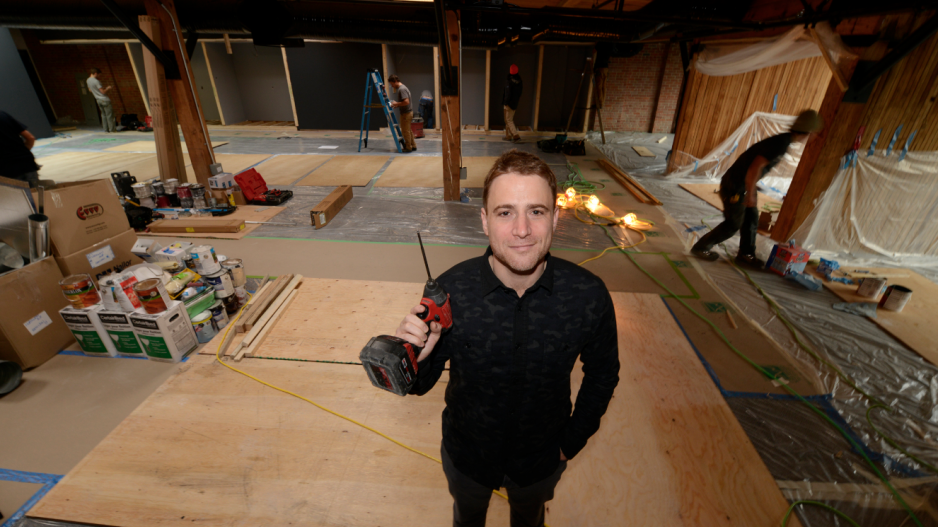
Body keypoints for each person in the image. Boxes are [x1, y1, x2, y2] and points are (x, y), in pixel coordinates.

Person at [395, 149, 620, 527]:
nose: (521, 230)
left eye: (536, 211)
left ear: (556, 218)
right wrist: (414, 354)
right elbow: (419, 385)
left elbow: (603, 374)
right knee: (467, 518)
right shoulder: (450, 290)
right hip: (468, 459)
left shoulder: (588, 295)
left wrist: (570, 442)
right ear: (485, 221)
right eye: (505, 212)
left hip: (541, 462)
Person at [691, 109, 824, 268]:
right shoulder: (781, 143)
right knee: (734, 223)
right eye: (815, 133)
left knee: (751, 218)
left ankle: (746, 254)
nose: (815, 137)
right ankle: (701, 247)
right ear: (807, 132)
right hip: (735, 185)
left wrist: (751, 190)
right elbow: (755, 167)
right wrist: (750, 193)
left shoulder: (784, 141)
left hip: (743, 184)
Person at [0, 110, 47, 188]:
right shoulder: (3, 115)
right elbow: (30, 138)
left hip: (6, 170)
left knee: (17, 199)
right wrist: (22, 153)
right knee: (37, 196)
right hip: (27, 164)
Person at [387, 74, 416, 153]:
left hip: (406, 114)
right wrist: (397, 105)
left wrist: (396, 103)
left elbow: (406, 102)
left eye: (392, 84)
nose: (392, 86)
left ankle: (408, 147)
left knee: (405, 131)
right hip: (408, 112)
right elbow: (404, 102)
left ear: (396, 81)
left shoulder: (401, 89)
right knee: (408, 130)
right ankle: (413, 145)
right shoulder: (403, 88)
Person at [86, 68, 116, 133]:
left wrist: (96, 91)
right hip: (104, 99)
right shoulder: (96, 81)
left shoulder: (88, 80)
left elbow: (90, 90)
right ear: (96, 73)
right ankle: (112, 130)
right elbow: (103, 92)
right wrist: (108, 88)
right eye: (99, 75)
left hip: (98, 100)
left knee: (103, 115)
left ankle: (106, 129)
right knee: (110, 115)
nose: (99, 76)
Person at [503, 65, 523, 143]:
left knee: (508, 120)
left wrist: (506, 102)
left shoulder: (510, 81)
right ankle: (508, 136)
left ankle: (516, 136)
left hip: (509, 103)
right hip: (514, 103)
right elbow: (519, 93)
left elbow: (507, 93)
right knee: (507, 120)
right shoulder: (520, 81)